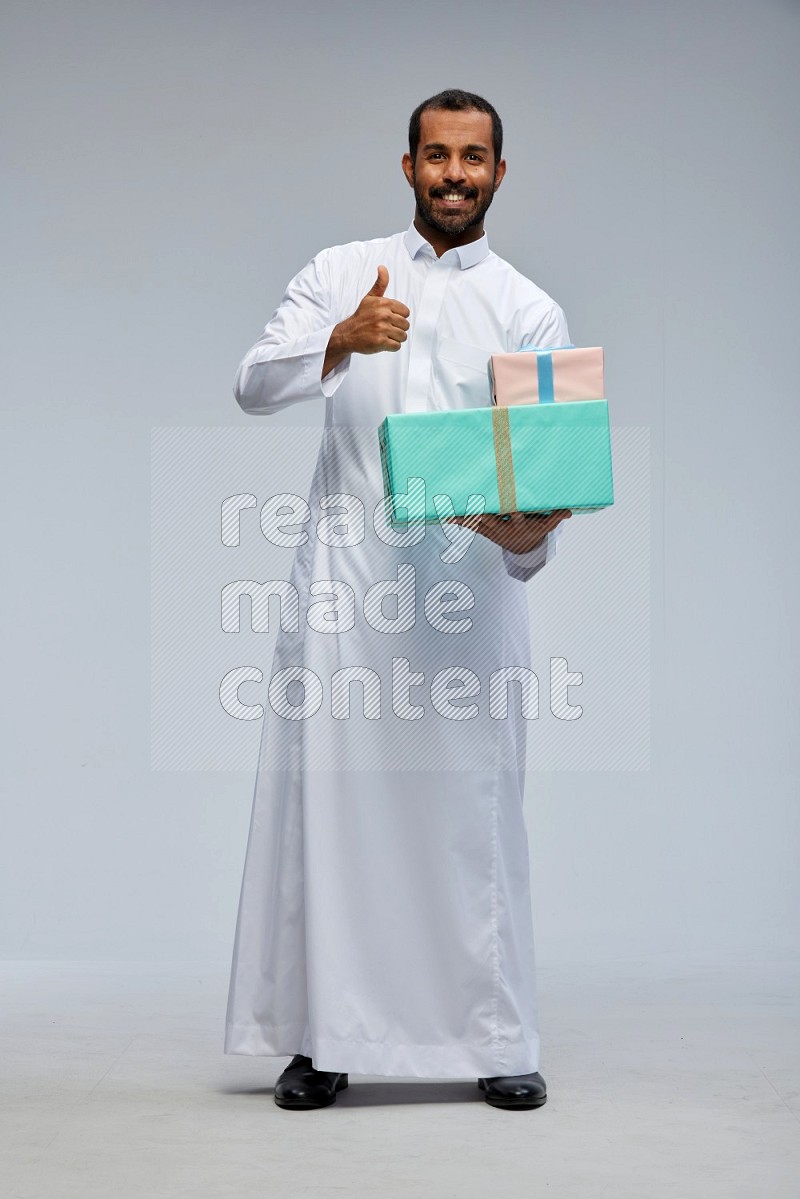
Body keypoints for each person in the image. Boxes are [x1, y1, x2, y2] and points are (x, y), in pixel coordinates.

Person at [224, 88, 573, 1111]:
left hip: (466, 601)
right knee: (331, 815)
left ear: (498, 172)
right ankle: (324, 1038)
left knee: (474, 814)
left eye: (473, 158)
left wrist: (529, 532)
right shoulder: (342, 271)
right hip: (344, 595)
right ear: (408, 164)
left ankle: (497, 1034)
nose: (454, 173)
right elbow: (250, 383)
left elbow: (540, 473)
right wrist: (336, 338)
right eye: (436, 155)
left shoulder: (526, 307)